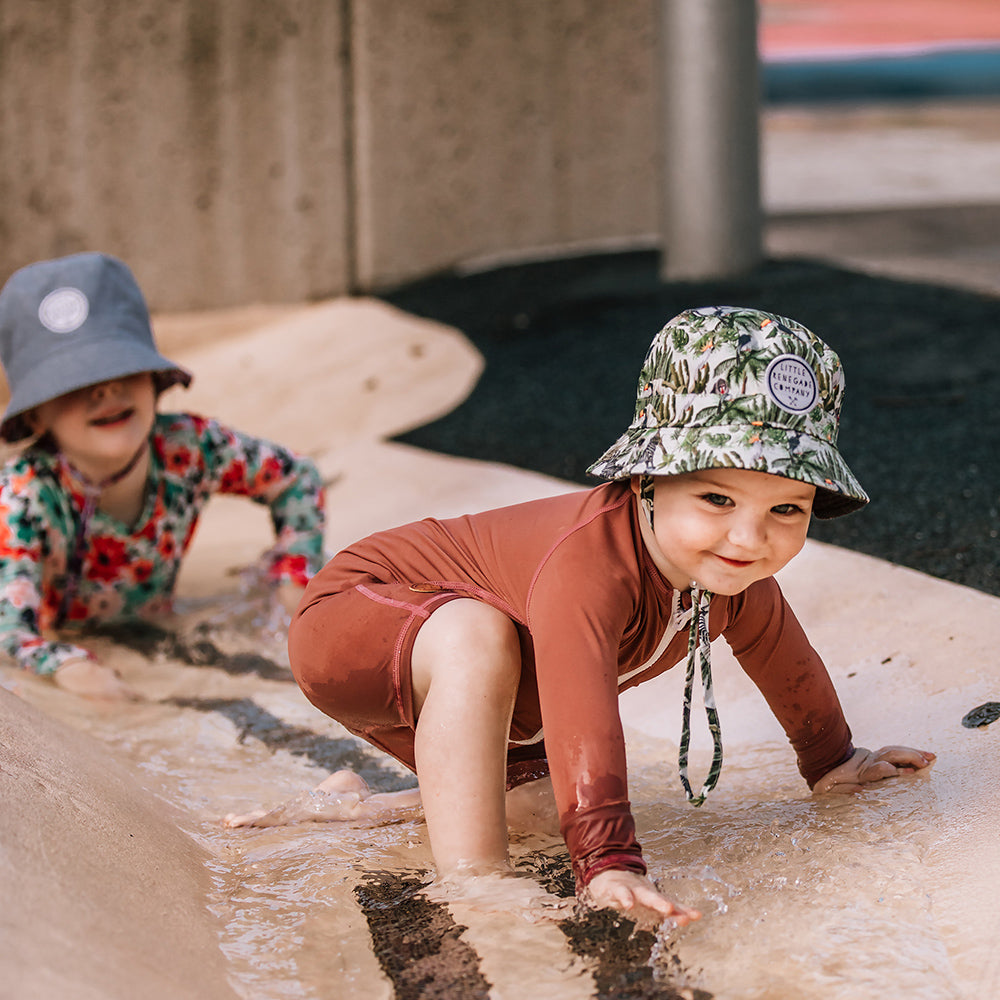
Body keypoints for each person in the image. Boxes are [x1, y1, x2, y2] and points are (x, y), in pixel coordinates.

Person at [271, 306, 933, 924]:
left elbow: (787, 662)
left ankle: (346, 808)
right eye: (715, 497)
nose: (748, 539)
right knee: (476, 636)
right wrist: (608, 862)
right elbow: (582, 708)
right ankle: (473, 882)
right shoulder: (592, 564)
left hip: (473, 675)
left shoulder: (731, 577)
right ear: (648, 478)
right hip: (357, 616)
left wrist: (834, 761)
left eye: (785, 510)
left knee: (535, 807)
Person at [0, 252, 326, 698]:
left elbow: (297, 478)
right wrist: (62, 663)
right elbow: (10, 628)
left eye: (120, 367)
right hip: (70, 630)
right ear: (36, 417)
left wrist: (294, 571)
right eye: (74, 382)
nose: (106, 389)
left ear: (153, 378)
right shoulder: (25, 497)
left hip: (153, 620)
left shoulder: (188, 450)